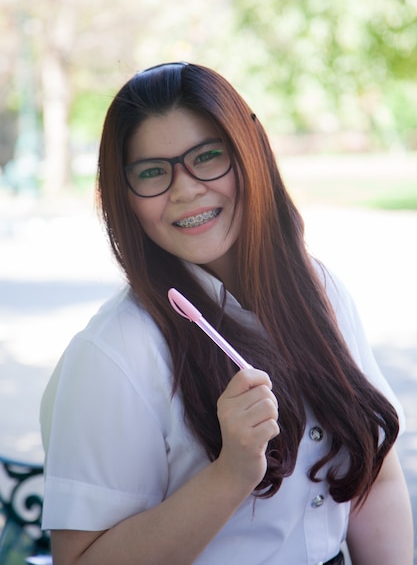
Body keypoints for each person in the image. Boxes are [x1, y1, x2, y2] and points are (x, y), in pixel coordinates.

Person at [40, 62, 413, 565]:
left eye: (207, 156)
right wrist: (231, 473)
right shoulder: (114, 353)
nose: (185, 189)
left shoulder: (319, 289)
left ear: (249, 154)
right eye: (151, 171)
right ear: (123, 196)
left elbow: (376, 475)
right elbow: (79, 560)